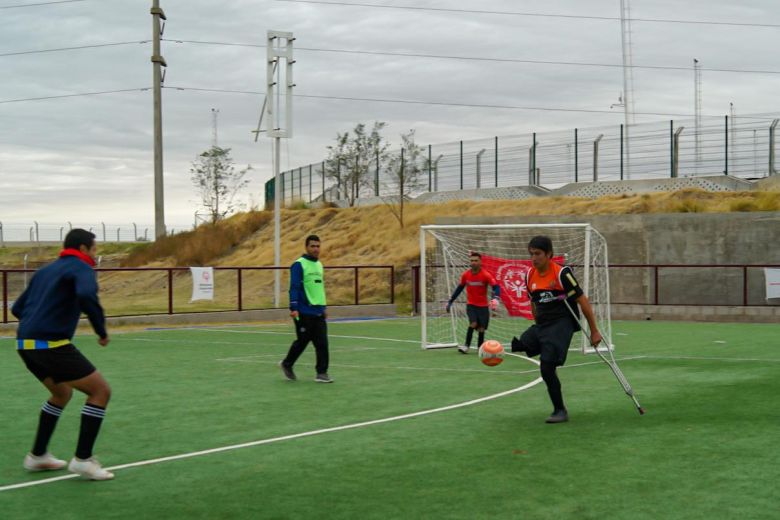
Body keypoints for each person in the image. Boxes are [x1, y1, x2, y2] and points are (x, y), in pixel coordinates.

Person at [13, 228, 114, 480]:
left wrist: (35, 323)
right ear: (82, 249)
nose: (95, 253)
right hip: (52, 345)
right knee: (100, 391)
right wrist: (100, 330)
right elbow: (86, 294)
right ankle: (83, 459)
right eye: (94, 248)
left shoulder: (45, 271)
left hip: (25, 344)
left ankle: (37, 456)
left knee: (61, 393)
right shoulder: (81, 268)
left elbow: (17, 308)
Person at [510, 236, 602, 424]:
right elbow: (533, 303)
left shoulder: (562, 274)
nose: (534, 258)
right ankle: (546, 349)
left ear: (549, 254)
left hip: (562, 322)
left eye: (538, 254)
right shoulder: (529, 275)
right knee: (520, 343)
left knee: (547, 366)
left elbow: (582, 301)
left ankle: (560, 410)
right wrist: (537, 326)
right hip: (543, 323)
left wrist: (594, 330)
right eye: (531, 254)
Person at [279, 234, 332, 383]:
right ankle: (287, 364)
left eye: (318, 246)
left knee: (322, 343)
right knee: (302, 341)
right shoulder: (299, 265)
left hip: (318, 312)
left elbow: (319, 288)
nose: (316, 249)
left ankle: (322, 373)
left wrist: (324, 307)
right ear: (306, 247)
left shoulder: (319, 265)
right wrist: (293, 307)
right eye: (313, 246)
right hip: (303, 311)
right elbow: (294, 287)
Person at [446, 252, 501, 354]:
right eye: (472, 260)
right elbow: (459, 288)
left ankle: (480, 348)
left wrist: (496, 298)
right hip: (471, 305)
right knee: (473, 323)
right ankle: (466, 346)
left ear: (480, 262)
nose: (473, 262)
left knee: (481, 329)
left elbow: (496, 287)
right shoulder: (466, 275)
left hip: (483, 307)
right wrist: (450, 301)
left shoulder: (486, 275)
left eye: (476, 260)